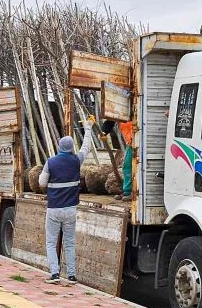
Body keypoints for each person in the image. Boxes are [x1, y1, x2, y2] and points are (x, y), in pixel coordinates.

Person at [39, 117, 94, 284]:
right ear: (71, 148)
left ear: (59, 147)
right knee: (69, 243)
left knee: (51, 242)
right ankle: (71, 276)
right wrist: (88, 128)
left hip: (54, 208)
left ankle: (55, 274)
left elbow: (41, 183)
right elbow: (86, 147)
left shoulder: (51, 162)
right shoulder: (76, 160)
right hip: (71, 209)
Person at [101, 120, 134, 201]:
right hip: (131, 143)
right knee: (127, 166)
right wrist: (104, 132)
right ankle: (128, 191)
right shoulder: (122, 112)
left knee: (132, 166)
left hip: (138, 141)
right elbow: (111, 120)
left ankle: (131, 192)